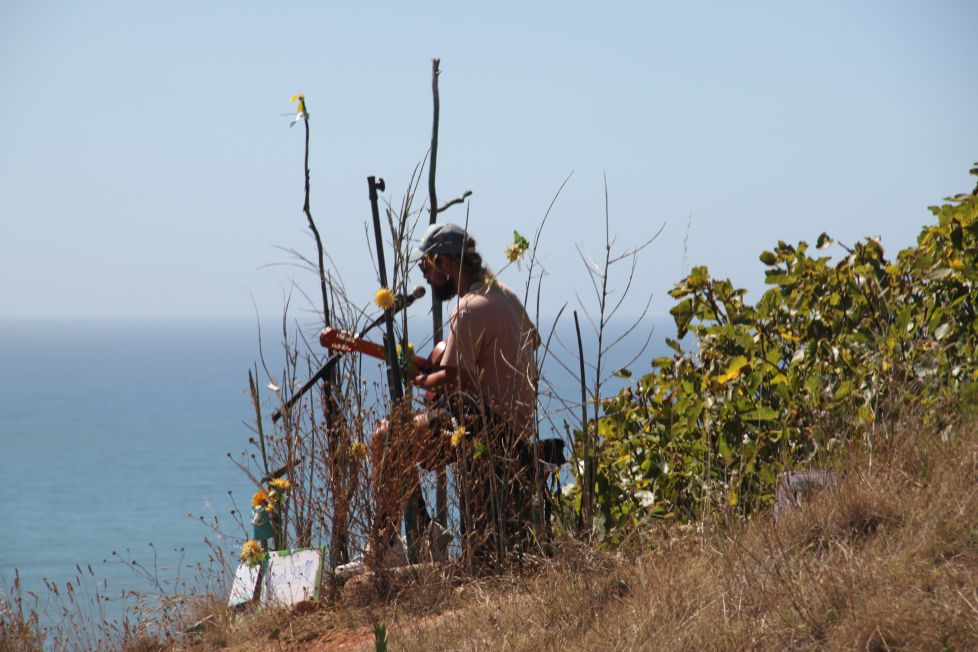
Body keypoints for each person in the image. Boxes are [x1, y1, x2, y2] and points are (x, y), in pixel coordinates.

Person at [370, 223, 542, 568]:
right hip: (520, 427)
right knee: (403, 436)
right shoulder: (503, 294)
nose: (427, 277)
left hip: (487, 427)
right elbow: (528, 342)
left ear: (446, 263)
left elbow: (451, 378)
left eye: (427, 268)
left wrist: (417, 377)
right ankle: (424, 534)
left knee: (386, 438)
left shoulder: (467, 307)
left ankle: (391, 546)